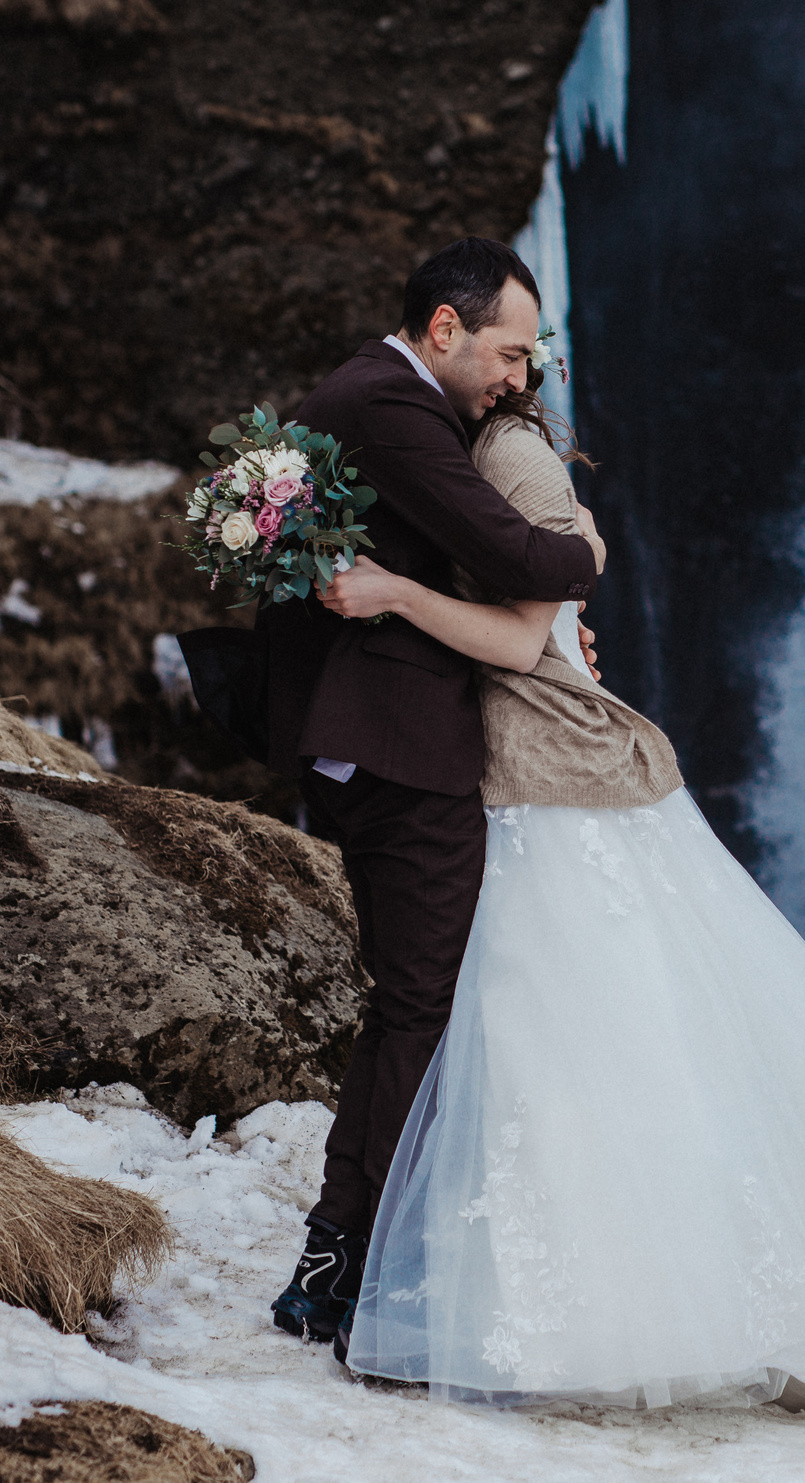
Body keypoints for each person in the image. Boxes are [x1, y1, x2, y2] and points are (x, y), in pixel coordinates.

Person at [302, 313, 805, 1443]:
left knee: (571, 1030)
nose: (512, 373)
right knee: (538, 1036)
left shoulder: (512, 454)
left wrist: (408, 595)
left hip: (553, 786)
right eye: (508, 354)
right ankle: (510, 1285)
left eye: (524, 361)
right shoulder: (458, 447)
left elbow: (526, 635)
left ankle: (615, 1303)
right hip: (515, 781)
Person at [242, 238, 604, 1348]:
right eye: (508, 353)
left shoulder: (372, 395)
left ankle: (339, 1263)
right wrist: (583, 559)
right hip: (398, 746)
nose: (519, 377)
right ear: (444, 328)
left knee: (412, 1004)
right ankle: (368, 1273)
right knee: (426, 1010)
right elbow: (530, 558)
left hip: (369, 742)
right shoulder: (390, 405)